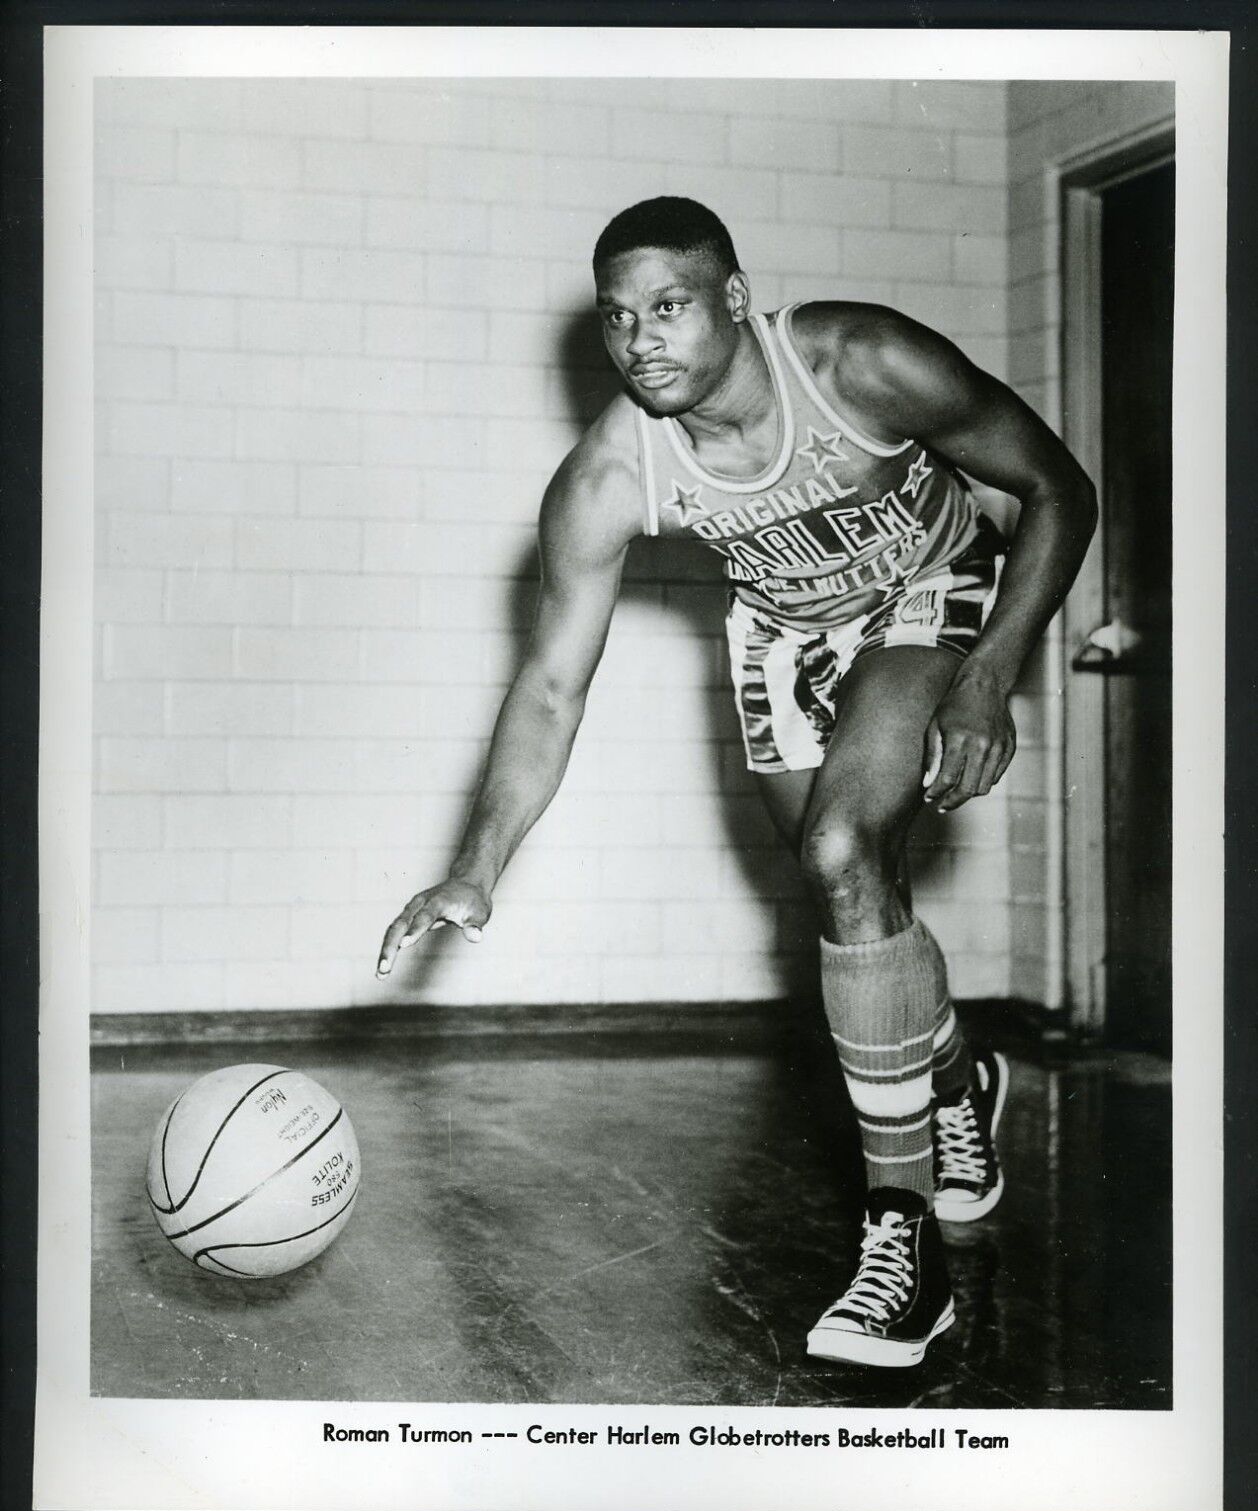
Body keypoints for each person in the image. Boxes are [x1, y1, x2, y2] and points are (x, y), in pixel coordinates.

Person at [376, 197, 1097, 1368]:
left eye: (666, 308)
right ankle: (956, 1079)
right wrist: (474, 867)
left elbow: (1058, 485)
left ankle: (899, 1247)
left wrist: (989, 677)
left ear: (732, 297)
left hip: (930, 588)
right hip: (782, 631)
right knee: (846, 895)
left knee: (840, 853)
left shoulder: (859, 361)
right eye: (617, 319)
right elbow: (551, 688)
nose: (639, 341)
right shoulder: (612, 470)